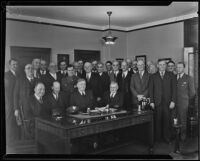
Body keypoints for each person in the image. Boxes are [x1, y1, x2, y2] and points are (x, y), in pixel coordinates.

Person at [149, 59, 177, 143]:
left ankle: (166, 138)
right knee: (157, 121)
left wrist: (173, 101)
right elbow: (151, 90)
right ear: (157, 65)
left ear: (165, 65)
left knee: (167, 121)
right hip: (157, 103)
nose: (162, 66)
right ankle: (158, 139)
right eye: (160, 64)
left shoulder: (171, 75)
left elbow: (174, 89)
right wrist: (152, 101)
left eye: (163, 64)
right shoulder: (153, 76)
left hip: (168, 103)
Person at [14, 64, 38, 139]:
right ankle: (25, 143)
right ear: (25, 70)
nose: (30, 70)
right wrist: (16, 109)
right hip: (24, 108)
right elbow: (15, 95)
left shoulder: (37, 80)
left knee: (36, 126)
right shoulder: (20, 80)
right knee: (25, 127)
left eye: (31, 68)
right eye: (28, 68)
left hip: (36, 108)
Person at [176, 62, 196, 141]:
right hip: (174, 103)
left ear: (184, 68)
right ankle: (176, 136)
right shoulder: (174, 77)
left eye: (180, 67)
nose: (178, 69)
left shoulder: (188, 78)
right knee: (175, 120)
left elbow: (193, 93)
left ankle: (183, 137)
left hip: (183, 103)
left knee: (183, 120)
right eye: (177, 67)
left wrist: (186, 100)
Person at [5, 59, 20, 144]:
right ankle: (9, 141)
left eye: (16, 64)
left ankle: (17, 139)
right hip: (10, 102)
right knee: (10, 121)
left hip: (18, 101)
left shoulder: (19, 74)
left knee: (18, 121)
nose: (15, 66)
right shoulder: (6, 75)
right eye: (13, 64)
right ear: (9, 65)